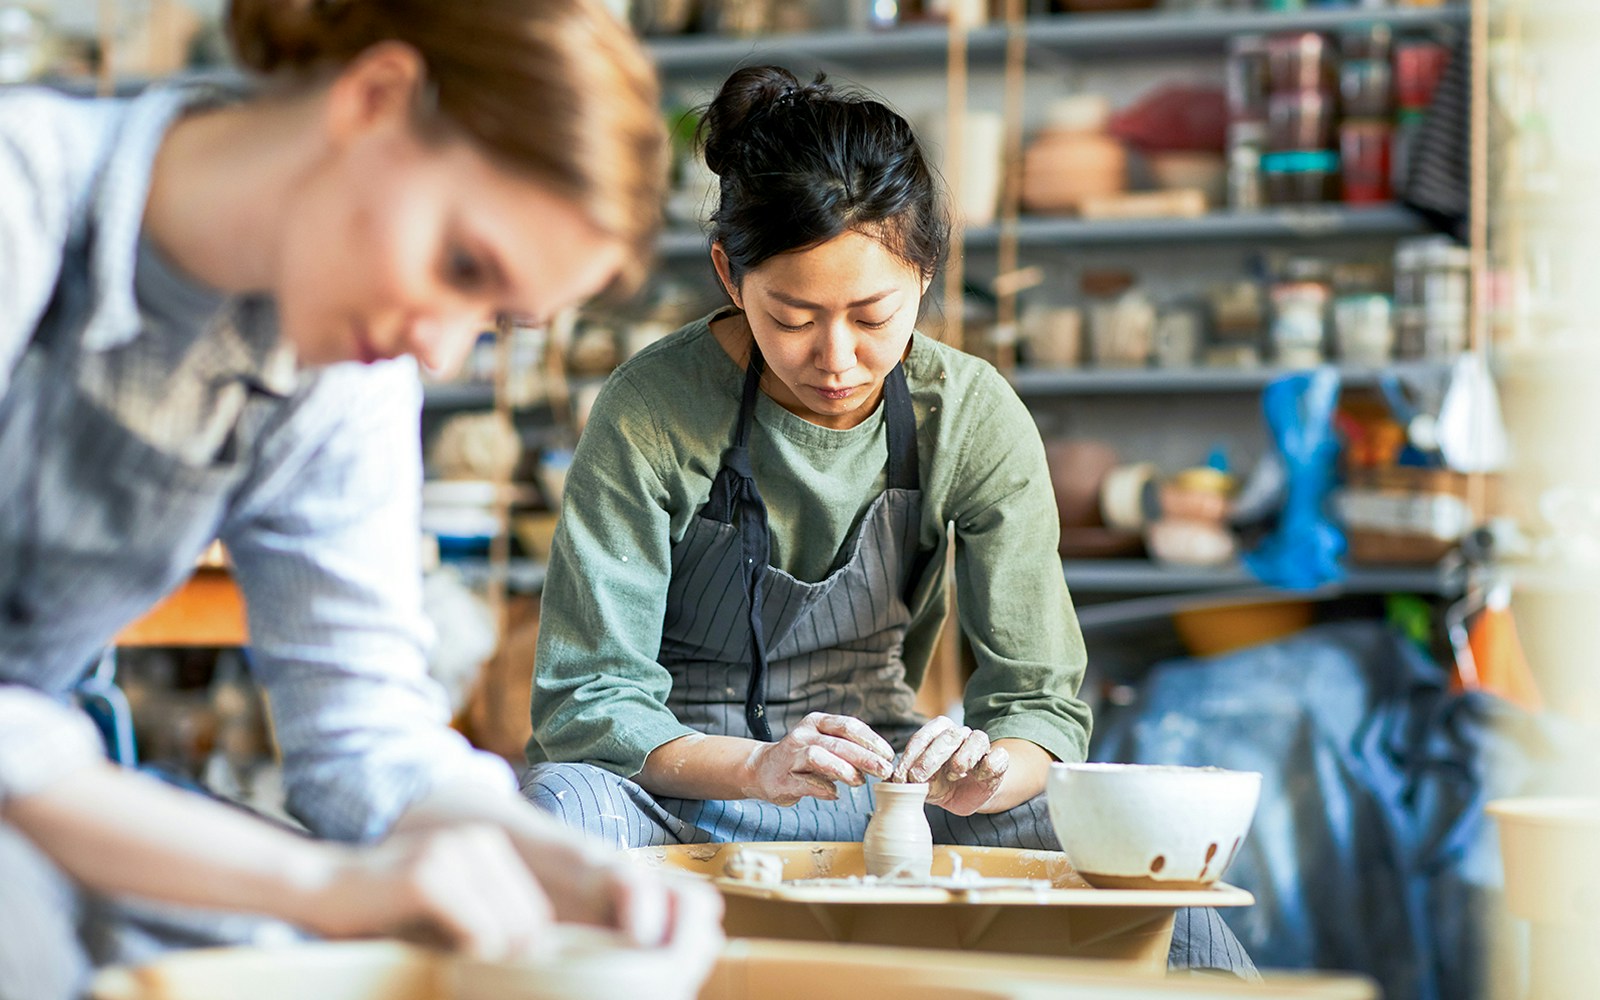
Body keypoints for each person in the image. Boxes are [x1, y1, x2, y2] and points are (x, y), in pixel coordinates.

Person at [0, 1, 721, 997]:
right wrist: (326, 884)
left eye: (493, 317)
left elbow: (366, 734)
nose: (440, 348)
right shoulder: (20, 193)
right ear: (374, 101)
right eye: (462, 266)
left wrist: (559, 862)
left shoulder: (347, 376)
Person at [521, 65, 1256, 977]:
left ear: (927, 272)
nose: (836, 358)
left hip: (883, 779)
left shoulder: (969, 414)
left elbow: (1039, 702)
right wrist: (753, 768)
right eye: (791, 317)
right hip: (675, 781)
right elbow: (586, 701)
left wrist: (995, 767)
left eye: (873, 316)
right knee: (557, 808)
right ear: (729, 273)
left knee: (1127, 869)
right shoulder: (651, 410)